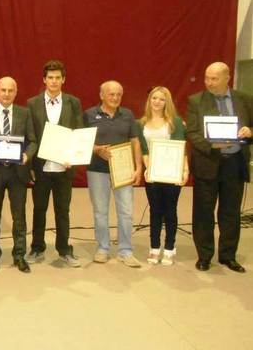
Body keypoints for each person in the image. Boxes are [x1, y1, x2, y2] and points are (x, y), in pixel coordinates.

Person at [186, 62, 253, 273]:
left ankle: (228, 256)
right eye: (207, 78)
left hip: (234, 164)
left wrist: (249, 131)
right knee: (204, 211)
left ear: (227, 77)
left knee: (231, 212)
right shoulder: (196, 101)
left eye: (214, 78)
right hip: (208, 163)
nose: (209, 82)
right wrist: (211, 144)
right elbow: (193, 133)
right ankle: (204, 255)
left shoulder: (244, 99)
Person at [26, 60, 84, 267]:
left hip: (64, 167)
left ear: (63, 80)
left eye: (58, 77)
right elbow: (29, 136)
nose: (54, 81)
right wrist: (31, 166)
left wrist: (74, 157)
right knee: (39, 209)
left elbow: (78, 131)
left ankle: (64, 250)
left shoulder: (73, 102)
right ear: (44, 80)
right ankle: (36, 248)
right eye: (50, 77)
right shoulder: (32, 103)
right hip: (41, 168)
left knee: (62, 210)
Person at [0, 77, 37, 273]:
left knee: (19, 216)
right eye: (3, 90)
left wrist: (27, 156)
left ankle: (19, 255)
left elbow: (32, 141)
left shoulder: (25, 114)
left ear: (16, 92)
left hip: (17, 172)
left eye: (10, 90)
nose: (6, 94)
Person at [83, 80, 143, 267]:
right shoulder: (89, 115)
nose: (115, 98)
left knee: (125, 212)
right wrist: (96, 149)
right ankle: (103, 248)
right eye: (111, 94)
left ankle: (125, 250)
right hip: (97, 170)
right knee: (101, 212)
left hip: (123, 170)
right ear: (102, 95)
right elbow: (81, 141)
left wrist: (138, 167)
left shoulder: (128, 115)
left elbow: (135, 141)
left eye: (118, 94)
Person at [137, 86, 188, 265]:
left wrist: (185, 170)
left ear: (167, 102)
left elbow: (182, 149)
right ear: (149, 100)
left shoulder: (175, 122)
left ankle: (169, 248)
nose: (157, 102)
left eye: (162, 99)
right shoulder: (140, 123)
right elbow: (143, 150)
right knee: (155, 211)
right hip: (153, 174)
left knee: (170, 211)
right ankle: (154, 247)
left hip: (172, 173)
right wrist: (149, 168)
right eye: (154, 98)